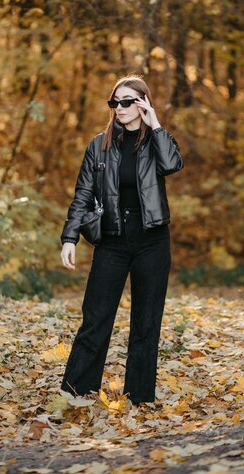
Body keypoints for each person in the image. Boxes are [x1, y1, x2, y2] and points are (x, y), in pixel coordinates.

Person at [59, 74, 184, 405]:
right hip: (112, 241)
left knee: (146, 323)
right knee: (95, 320)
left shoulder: (155, 143)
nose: (120, 107)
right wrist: (70, 238)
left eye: (127, 101)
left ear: (142, 103)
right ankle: (76, 396)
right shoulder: (99, 145)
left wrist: (155, 124)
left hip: (152, 241)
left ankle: (140, 398)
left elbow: (172, 165)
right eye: (115, 102)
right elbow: (82, 194)